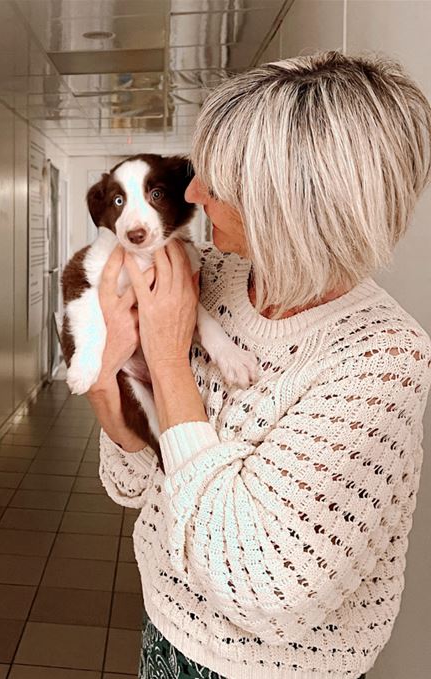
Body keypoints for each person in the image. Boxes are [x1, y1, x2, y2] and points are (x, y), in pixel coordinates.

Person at [88, 51, 431, 679]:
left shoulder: (382, 361)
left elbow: (258, 587)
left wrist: (167, 364)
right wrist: (110, 372)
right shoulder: (211, 278)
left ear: (289, 207)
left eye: (214, 184)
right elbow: (132, 483)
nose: (191, 195)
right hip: (163, 627)